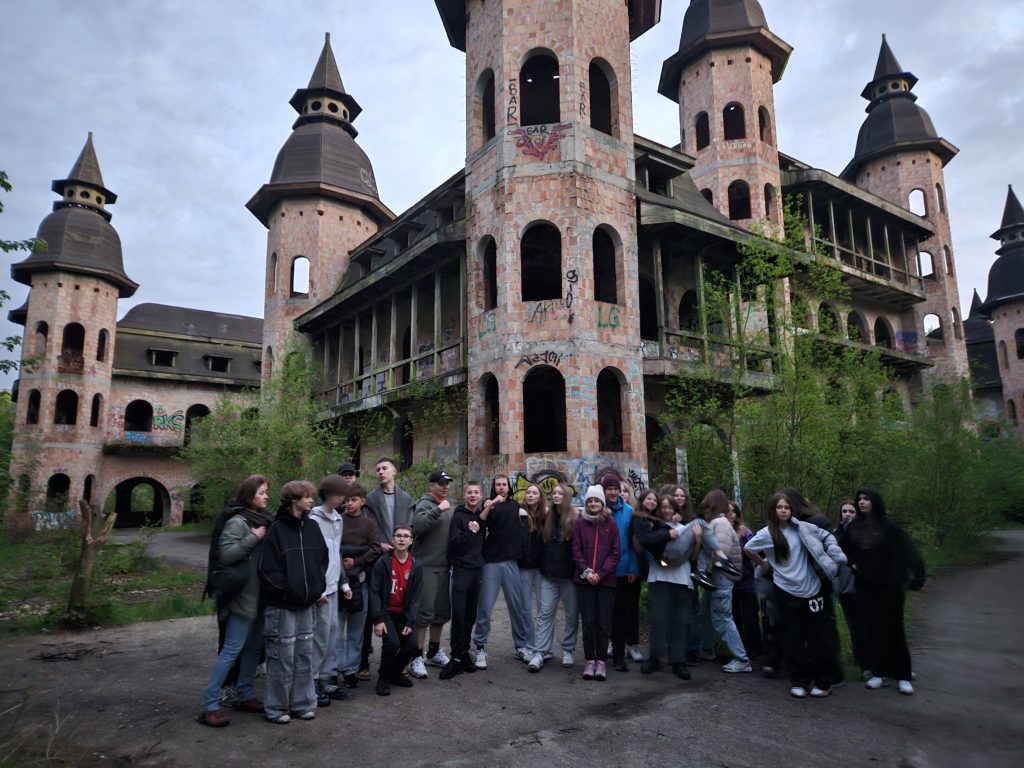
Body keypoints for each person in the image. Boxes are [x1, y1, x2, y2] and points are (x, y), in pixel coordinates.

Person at [745, 491, 847, 699]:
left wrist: (835, 556)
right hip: (785, 591)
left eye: (787, 507)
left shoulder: (803, 528)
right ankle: (799, 680)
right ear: (773, 510)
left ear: (792, 510)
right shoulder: (767, 533)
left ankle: (823, 681)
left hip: (811, 590)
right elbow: (748, 548)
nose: (783, 511)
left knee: (819, 638)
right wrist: (765, 565)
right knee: (794, 638)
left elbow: (827, 538)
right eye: (780, 507)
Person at [197, 475, 272, 728]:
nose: (266, 496)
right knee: (231, 651)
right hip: (241, 599)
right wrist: (254, 537)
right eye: (261, 492)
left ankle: (246, 694)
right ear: (250, 495)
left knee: (252, 650)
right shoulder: (238, 522)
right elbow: (226, 555)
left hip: (260, 597)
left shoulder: (263, 519)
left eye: (266, 492)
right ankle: (209, 705)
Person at [841, 487, 925, 696]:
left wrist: (917, 576)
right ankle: (880, 673)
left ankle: (903, 675)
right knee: (871, 630)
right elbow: (844, 550)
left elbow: (909, 552)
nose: (861, 502)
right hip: (865, 586)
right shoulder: (855, 527)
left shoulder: (889, 528)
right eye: (859, 499)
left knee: (894, 630)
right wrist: (853, 564)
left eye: (866, 499)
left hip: (890, 585)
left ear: (875, 502)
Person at [257, 480, 328, 723]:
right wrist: (287, 591)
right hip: (282, 607)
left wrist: (316, 588)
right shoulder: (276, 530)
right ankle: (277, 709)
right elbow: (267, 570)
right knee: (281, 657)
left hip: (307, 605)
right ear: (293, 500)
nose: (311, 501)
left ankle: (303, 703)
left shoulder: (312, 528)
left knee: (304, 655)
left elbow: (322, 560)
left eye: (311, 496)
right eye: (307, 497)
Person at [360, 458, 414, 680]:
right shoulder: (371, 500)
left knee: (399, 609)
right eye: (377, 469)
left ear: (394, 471)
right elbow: (368, 526)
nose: (380, 472)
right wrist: (380, 544)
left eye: (384, 468)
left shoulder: (407, 499)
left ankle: (398, 663)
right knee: (371, 612)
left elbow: (410, 528)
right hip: (378, 561)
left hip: (400, 561)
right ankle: (362, 662)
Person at [471, 474, 530, 669]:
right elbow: (479, 523)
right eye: (498, 485)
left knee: (517, 606)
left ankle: (521, 646)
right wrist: (490, 504)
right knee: (485, 607)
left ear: (509, 487)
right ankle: (479, 646)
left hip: (511, 562)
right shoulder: (489, 504)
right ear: (493, 487)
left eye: (504, 485)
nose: (501, 487)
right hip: (491, 561)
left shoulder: (516, 506)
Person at [634, 493, 694, 680]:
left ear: (677, 510)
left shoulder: (685, 529)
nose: (667, 511)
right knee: (658, 620)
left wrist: (698, 539)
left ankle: (678, 661)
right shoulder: (655, 528)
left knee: (679, 621)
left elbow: (693, 554)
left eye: (671, 507)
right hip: (658, 578)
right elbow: (644, 543)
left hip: (681, 579)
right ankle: (655, 658)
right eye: (664, 507)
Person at [309, 476, 353, 706]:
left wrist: (344, 584)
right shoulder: (313, 520)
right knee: (320, 636)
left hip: (335, 587)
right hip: (321, 591)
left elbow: (336, 555)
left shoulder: (338, 519)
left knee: (334, 634)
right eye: (340, 493)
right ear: (328, 494)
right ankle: (312, 682)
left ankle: (327, 679)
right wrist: (318, 589)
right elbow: (312, 559)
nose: (343, 497)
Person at [409, 470, 455, 679]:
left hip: (444, 567)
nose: (444, 486)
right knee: (424, 614)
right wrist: (437, 509)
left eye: (446, 483)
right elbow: (418, 526)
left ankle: (433, 652)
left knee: (441, 613)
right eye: (440, 483)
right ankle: (415, 657)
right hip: (426, 566)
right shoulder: (425, 504)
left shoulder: (448, 507)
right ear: (431, 486)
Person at [336, 483, 382, 690]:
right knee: (336, 631)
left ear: (362, 501)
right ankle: (332, 669)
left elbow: (376, 549)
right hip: (338, 583)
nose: (349, 504)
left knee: (356, 631)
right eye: (346, 500)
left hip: (360, 582)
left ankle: (350, 670)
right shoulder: (338, 521)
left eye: (353, 500)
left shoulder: (369, 524)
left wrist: (356, 561)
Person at [572, 485, 620, 681]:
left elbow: (615, 552)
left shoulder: (610, 524)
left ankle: (601, 661)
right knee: (589, 622)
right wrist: (587, 572)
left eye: (597, 501)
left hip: (605, 581)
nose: (593, 503)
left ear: (602, 503)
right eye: (590, 500)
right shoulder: (579, 523)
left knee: (603, 622)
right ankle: (589, 659)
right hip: (584, 580)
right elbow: (576, 550)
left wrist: (600, 573)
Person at [369, 524, 423, 696]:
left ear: (411, 541)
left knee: (412, 645)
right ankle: (383, 678)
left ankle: (394, 673)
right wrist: (378, 619)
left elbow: (416, 597)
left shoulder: (416, 566)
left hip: (404, 614)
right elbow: (375, 591)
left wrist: (411, 620)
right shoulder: (383, 563)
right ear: (392, 539)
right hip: (387, 613)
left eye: (405, 536)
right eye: (398, 535)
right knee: (392, 643)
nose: (401, 539)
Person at [702, 490, 753, 673]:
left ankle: (741, 659)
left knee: (723, 618)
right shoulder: (721, 523)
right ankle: (736, 656)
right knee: (719, 618)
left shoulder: (720, 523)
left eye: (708, 506)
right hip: (722, 578)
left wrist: (704, 570)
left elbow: (719, 553)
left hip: (723, 578)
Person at [442, 480, 486, 679]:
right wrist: (471, 531)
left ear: (481, 495)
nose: (473, 495)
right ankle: (455, 657)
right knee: (459, 615)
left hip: (477, 570)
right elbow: (455, 545)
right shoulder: (458, 517)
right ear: (465, 495)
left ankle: (464, 653)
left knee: (470, 615)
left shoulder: (482, 515)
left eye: (476, 492)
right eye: (470, 492)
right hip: (461, 570)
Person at [534, 483, 579, 669]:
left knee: (571, 614)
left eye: (560, 493)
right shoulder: (546, 517)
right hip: (548, 574)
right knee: (544, 613)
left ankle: (568, 650)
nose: (556, 495)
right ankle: (540, 651)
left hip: (569, 576)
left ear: (567, 496)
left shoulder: (575, 519)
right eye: (554, 493)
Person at [603, 475, 641, 671]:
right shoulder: (598, 510)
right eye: (608, 489)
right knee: (603, 615)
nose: (612, 492)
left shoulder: (629, 512)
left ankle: (619, 656)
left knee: (620, 615)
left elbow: (633, 543)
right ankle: (600, 655)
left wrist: (633, 567)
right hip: (602, 572)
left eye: (615, 488)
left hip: (623, 570)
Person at [834, 499, 866, 675]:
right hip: (845, 589)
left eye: (851, 512)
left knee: (868, 626)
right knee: (854, 627)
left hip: (864, 588)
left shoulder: (864, 533)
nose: (847, 514)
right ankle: (862, 663)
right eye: (844, 511)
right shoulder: (834, 535)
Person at [727, 501, 762, 658]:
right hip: (729, 583)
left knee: (750, 617)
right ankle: (740, 649)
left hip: (746, 581)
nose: (730, 514)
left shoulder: (745, 531)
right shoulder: (720, 531)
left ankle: (755, 648)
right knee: (734, 618)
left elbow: (756, 550)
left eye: (733, 511)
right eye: (727, 511)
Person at [518, 484, 546, 671]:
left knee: (544, 608)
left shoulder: (547, 515)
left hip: (542, 568)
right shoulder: (519, 514)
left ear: (540, 497)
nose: (530, 495)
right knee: (526, 608)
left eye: (534, 493)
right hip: (524, 567)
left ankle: (543, 647)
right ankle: (529, 645)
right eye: (528, 492)